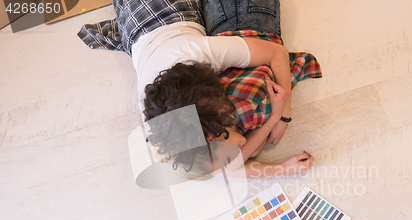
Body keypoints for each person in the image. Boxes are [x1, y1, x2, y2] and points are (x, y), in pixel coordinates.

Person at [78, 0, 315, 178]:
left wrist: (284, 113)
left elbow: (276, 52)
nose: (240, 143)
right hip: (135, 27)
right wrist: (282, 167)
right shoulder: (164, 131)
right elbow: (225, 169)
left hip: (175, 10)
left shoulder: (197, 51)